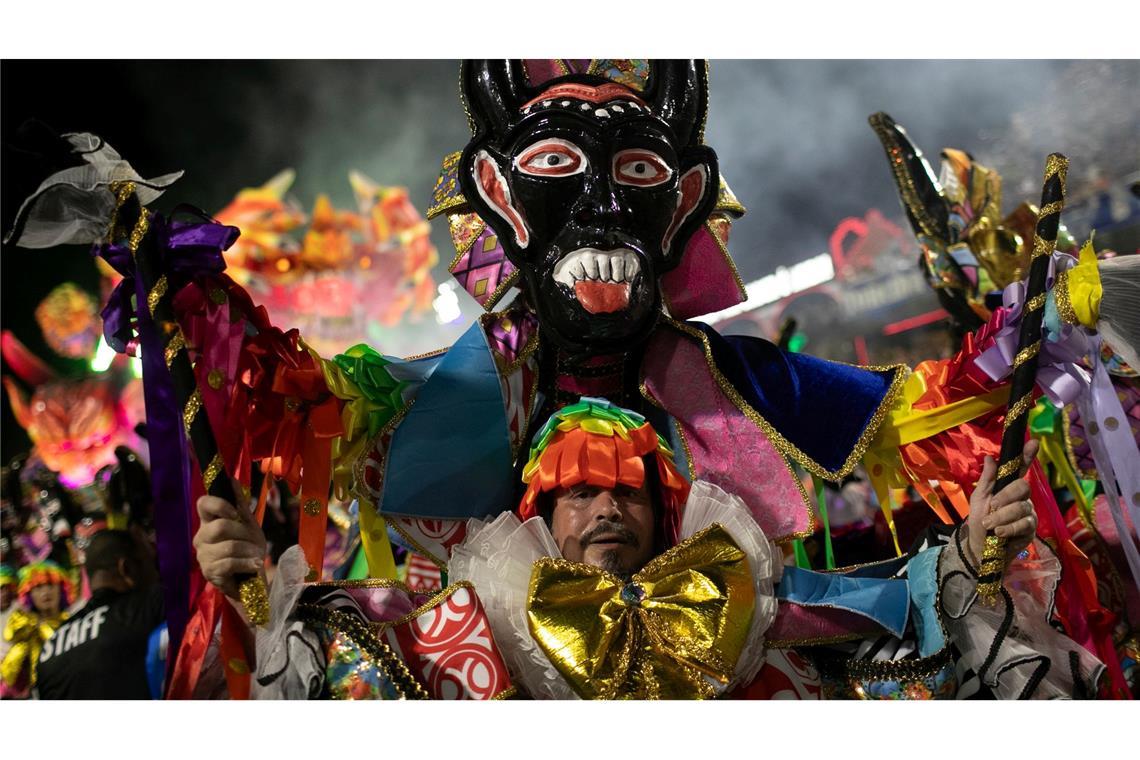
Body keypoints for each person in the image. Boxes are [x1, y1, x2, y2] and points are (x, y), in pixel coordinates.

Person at [34, 528, 165, 699]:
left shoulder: (49, 648)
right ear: (126, 568)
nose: (156, 572)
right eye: (150, 563)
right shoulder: (149, 607)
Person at [0, 561, 72, 698]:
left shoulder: (74, 620)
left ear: (61, 588)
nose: (45, 592)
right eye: (38, 587)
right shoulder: (22, 626)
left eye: (50, 585)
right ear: (29, 593)